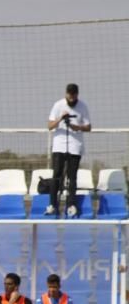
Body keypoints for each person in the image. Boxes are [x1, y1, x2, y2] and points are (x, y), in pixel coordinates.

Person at [46, 84, 91, 218]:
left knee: (72, 177)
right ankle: (52, 205)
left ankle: (71, 205)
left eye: (74, 95)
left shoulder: (83, 106)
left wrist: (76, 127)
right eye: (69, 95)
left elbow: (88, 127)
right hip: (59, 145)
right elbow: (49, 126)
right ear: (66, 94)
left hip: (75, 146)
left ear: (77, 94)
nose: (71, 98)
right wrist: (60, 118)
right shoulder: (58, 105)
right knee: (57, 175)